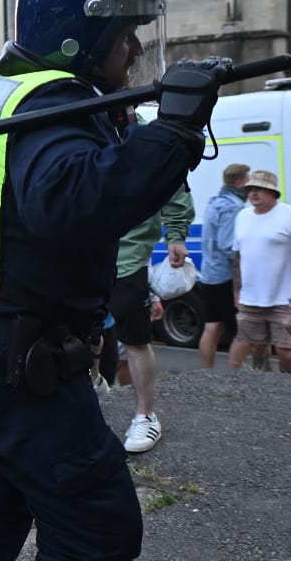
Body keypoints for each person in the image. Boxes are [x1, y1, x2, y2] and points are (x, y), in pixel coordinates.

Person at [0, 0, 227, 560]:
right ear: (82, 38)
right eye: (126, 35)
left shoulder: (7, 90)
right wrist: (174, 131)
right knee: (99, 527)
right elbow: (74, 203)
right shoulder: (51, 105)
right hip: (20, 362)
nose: (138, 51)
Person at [108, 178, 194, 453]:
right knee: (78, 331)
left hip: (126, 257)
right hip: (83, 252)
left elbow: (171, 183)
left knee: (135, 340)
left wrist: (177, 235)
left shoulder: (142, 134)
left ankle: (145, 415)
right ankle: (94, 382)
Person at [229, 170, 291, 372]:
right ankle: (264, 390)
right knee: (256, 347)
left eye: (260, 189)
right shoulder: (243, 216)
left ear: (273, 193)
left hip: (284, 299)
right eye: (251, 189)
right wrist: (237, 291)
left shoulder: (287, 214)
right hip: (250, 298)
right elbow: (237, 256)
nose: (254, 193)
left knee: (286, 352)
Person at [197, 163, 250, 368]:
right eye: (248, 180)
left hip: (209, 275)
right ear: (239, 182)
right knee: (243, 330)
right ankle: (234, 376)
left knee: (212, 327)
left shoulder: (213, 202)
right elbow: (227, 245)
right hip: (225, 277)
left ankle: (206, 374)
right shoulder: (232, 207)